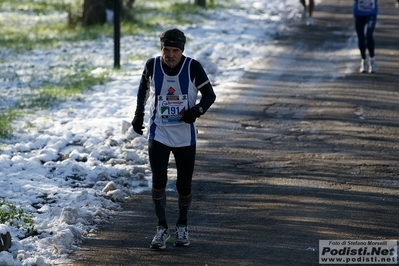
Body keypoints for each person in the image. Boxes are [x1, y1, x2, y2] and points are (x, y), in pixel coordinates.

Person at [132, 28, 216, 250]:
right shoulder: (152, 65)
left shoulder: (193, 67)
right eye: (166, 50)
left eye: (175, 51)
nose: (170, 55)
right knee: (159, 181)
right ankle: (161, 228)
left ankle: (182, 225)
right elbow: (142, 91)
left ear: (182, 51)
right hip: (158, 133)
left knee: (183, 185)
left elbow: (210, 96)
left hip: (184, 136)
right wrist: (138, 115)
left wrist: (195, 112)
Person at [353, 0, 378, 73]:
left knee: (369, 35)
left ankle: (372, 60)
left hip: (371, 13)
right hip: (358, 13)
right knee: (361, 38)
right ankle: (364, 60)